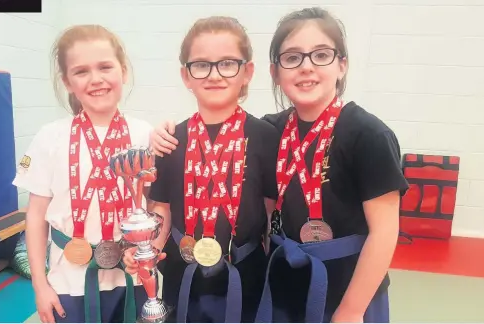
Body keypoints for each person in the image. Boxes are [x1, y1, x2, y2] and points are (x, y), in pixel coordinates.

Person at [148, 7, 409, 323]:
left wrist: (352, 311)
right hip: (283, 283)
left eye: (321, 55)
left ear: (342, 65)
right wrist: (159, 134)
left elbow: (385, 231)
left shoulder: (368, 135)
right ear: (275, 71)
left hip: (346, 289)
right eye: (292, 58)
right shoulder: (275, 130)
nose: (306, 67)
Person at [123, 16, 280, 323]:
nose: (214, 75)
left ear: (247, 72)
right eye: (201, 65)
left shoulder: (265, 136)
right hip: (185, 277)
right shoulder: (171, 140)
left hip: (245, 274)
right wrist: (147, 251)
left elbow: (269, 209)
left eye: (227, 63)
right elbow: (162, 210)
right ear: (186, 76)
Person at [12, 24, 154, 323]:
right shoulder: (49, 137)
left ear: (123, 71)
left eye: (105, 67)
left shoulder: (145, 135)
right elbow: (36, 216)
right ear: (67, 81)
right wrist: (40, 284)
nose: (96, 80)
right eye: (81, 71)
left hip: (132, 277)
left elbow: (153, 206)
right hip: (69, 281)